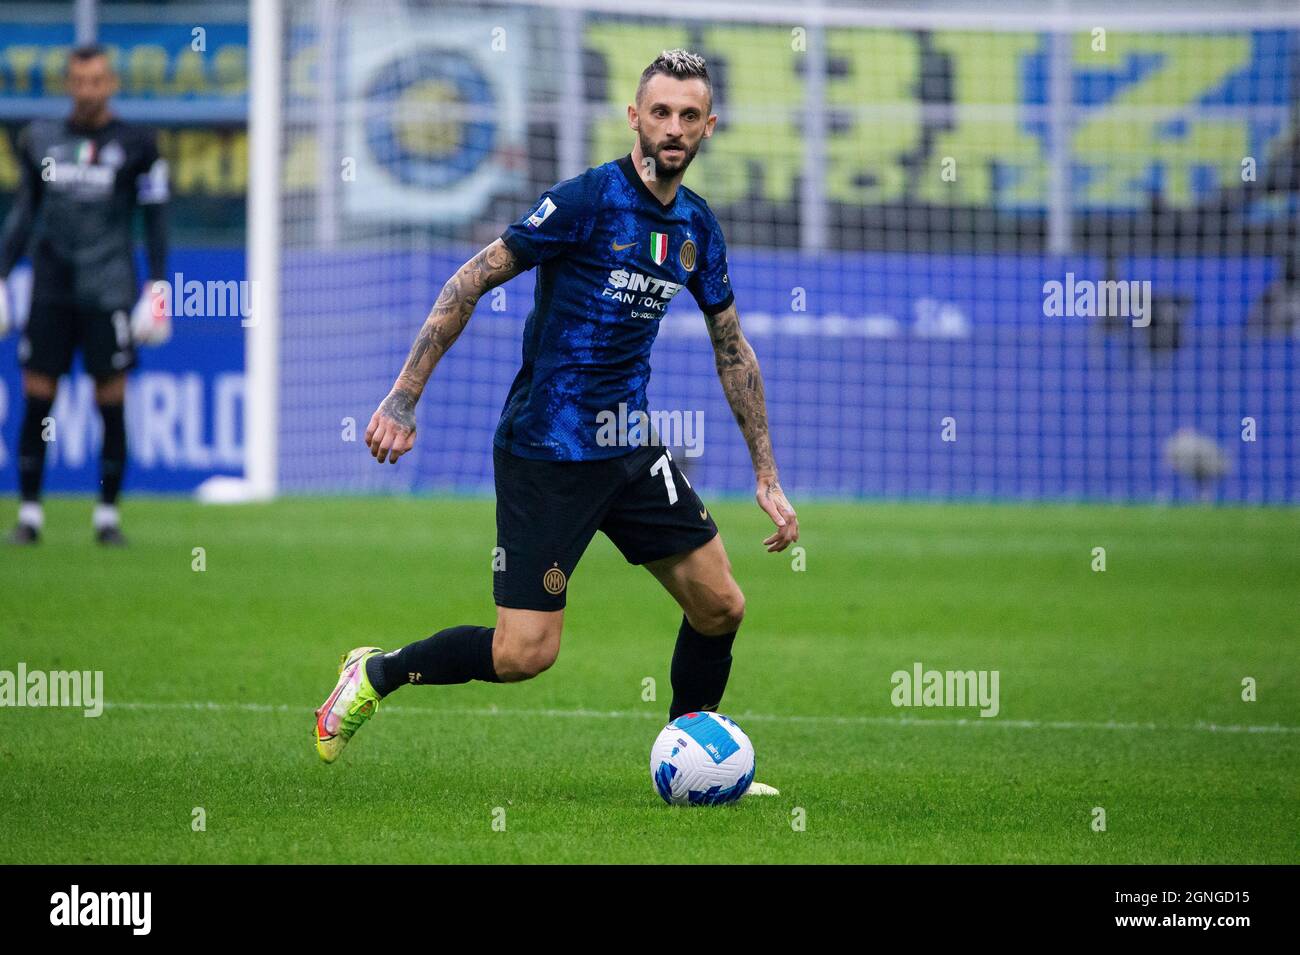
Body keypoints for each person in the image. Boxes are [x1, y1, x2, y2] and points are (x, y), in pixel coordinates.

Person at [314, 51, 797, 794]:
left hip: (627, 446)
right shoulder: (585, 201)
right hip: (545, 451)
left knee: (721, 604)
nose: (673, 128)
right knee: (523, 655)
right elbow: (470, 279)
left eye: (688, 116)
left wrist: (765, 473)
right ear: (633, 117)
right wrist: (404, 398)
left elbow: (732, 348)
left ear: (709, 125)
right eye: (660, 112)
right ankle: (375, 672)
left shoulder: (698, 227)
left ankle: (697, 758)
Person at [0, 44, 170, 546]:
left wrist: (158, 284)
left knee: (110, 401)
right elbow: (23, 214)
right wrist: (2, 274)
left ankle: (107, 517)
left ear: (111, 83)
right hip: (51, 288)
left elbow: (156, 219)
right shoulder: (40, 139)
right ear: (68, 84)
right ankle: (29, 514)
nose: (88, 90)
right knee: (37, 398)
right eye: (79, 81)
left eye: (97, 81)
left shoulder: (138, 144)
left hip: (108, 287)